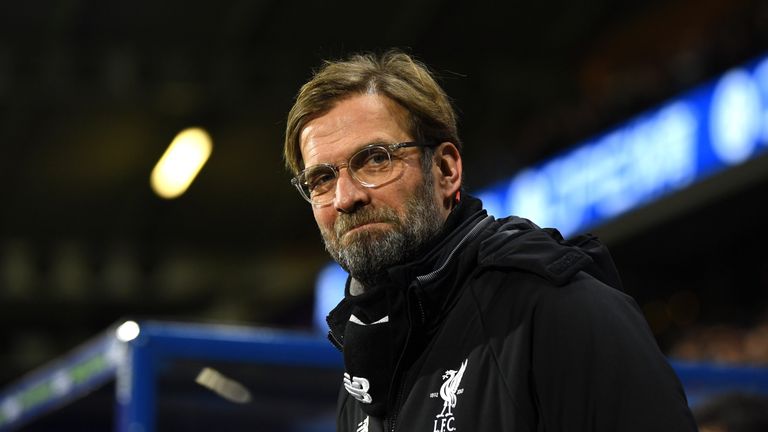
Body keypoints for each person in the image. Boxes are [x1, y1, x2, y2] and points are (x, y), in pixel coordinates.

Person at [284, 50, 698, 432]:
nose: (346, 197)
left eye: (375, 159)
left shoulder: (557, 309)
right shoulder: (361, 375)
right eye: (321, 179)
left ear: (446, 169)